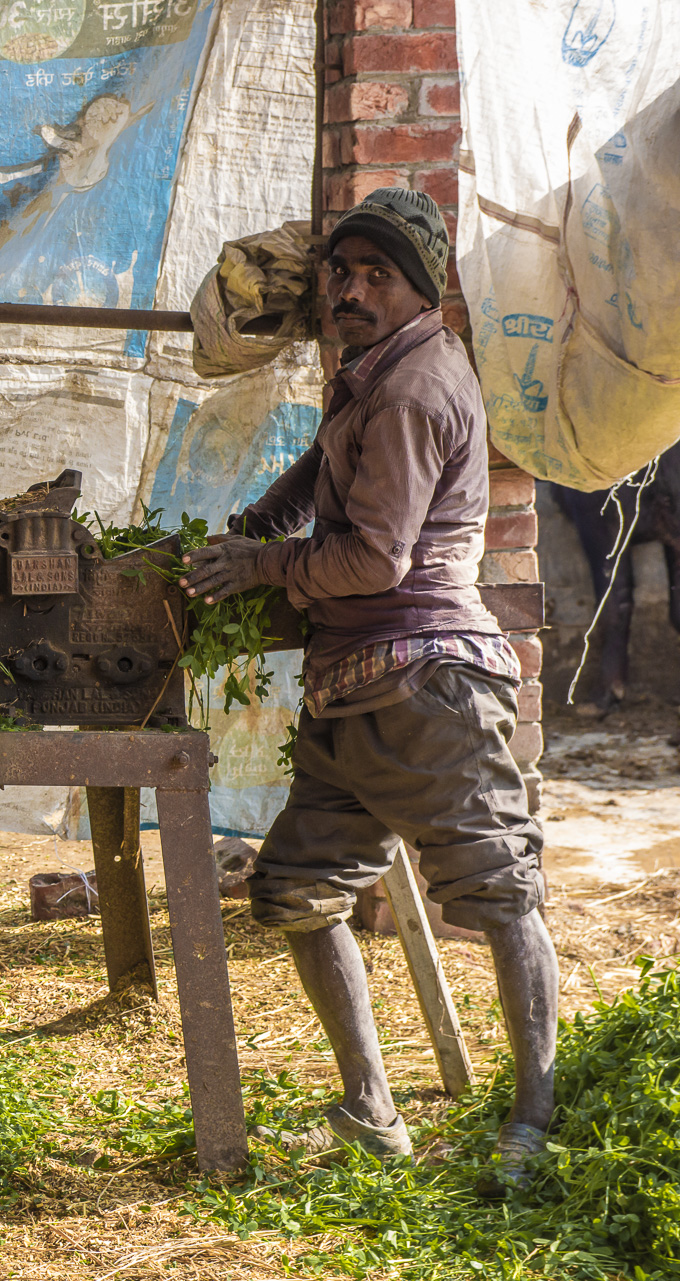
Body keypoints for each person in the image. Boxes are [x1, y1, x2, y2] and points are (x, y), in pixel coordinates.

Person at [178, 188, 558, 1197]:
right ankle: (370, 1110)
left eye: (375, 277)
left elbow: (379, 560)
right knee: (295, 891)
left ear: (418, 292)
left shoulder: (413, 389)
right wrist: (266, 515)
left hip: (426, 684)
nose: (351, 291)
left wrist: (263, 570)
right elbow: (320, 463)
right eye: (341, 273)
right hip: (356, 693)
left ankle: (538, 1120)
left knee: (498, 891)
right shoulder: (370, 373)